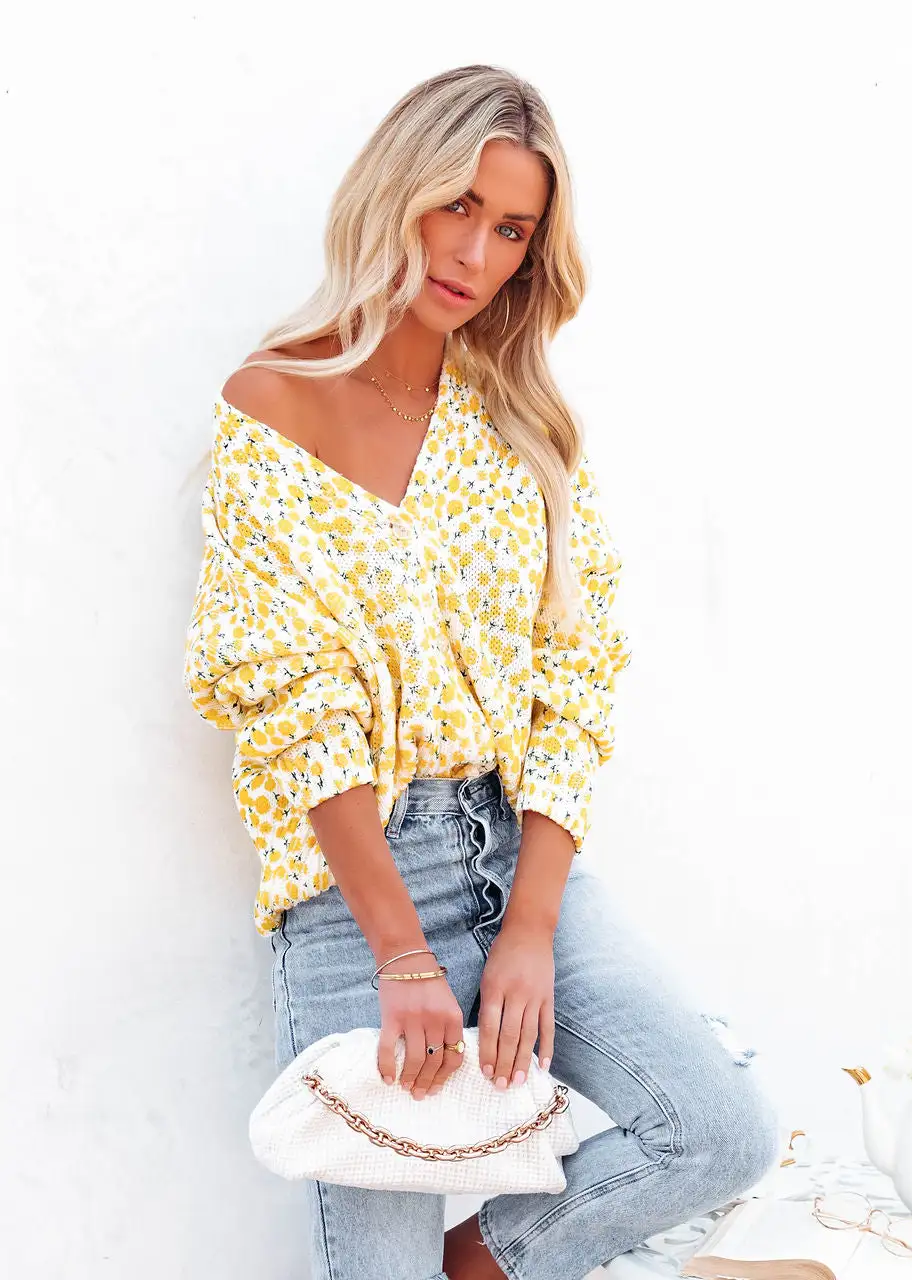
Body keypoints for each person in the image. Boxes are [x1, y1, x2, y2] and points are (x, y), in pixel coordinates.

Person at [183, 63, 780, 1280]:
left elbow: (576, 672)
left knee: (717, 1128)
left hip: (517, 848)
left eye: (511, 228)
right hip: (354, 887)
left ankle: (481, 1268)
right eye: (456, 204)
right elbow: (294, 703)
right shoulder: (272, 404)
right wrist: (400, 949)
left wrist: (533, 923)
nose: (473, 251)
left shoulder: (517, 422)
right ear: (395, 190)